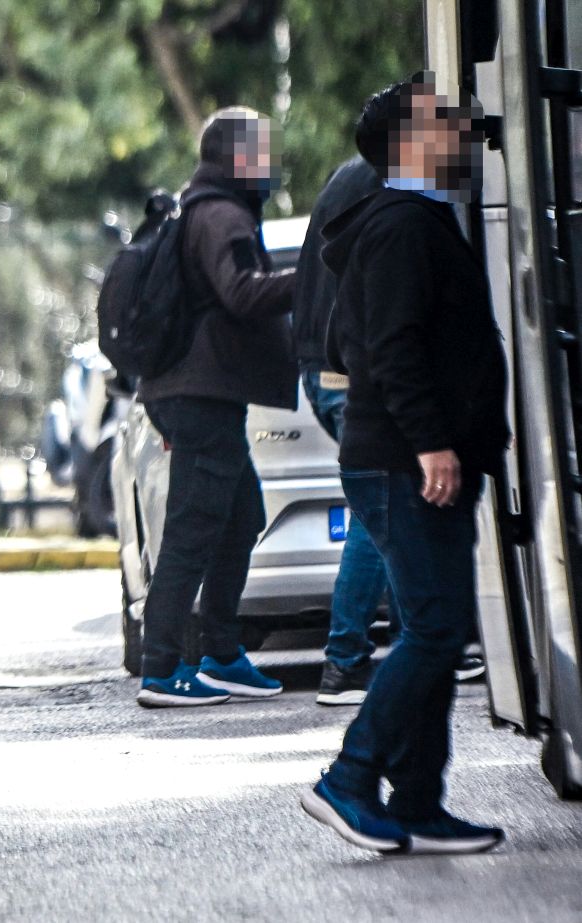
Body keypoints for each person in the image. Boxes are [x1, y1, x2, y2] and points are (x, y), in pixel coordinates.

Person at [300, 74, 508, 855]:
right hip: (403, 461)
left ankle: (419, 800)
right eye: (443, 120)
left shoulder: (415, 217)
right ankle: (349, 778)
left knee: (438, 629)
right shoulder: (398, 225)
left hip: (413, 457)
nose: (462, 129)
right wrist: (429, 441)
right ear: (410, 142)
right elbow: (388, 348)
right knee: (434, 627)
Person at [133, 107, 297, 707]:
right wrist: (314, 275)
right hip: (200, 394)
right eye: (264, 151)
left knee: (241, 516)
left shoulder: (200, 209)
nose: (272, 163)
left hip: (196, 392)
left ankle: (222, 653)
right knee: (192, 530)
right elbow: (240, 293)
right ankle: (161, 667)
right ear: (239, 157)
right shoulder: (222, 214)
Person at [292, 155, 397, 706]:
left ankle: (413, 642)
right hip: (351, 369)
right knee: (381, 506)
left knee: (390, 504)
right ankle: (346, 659)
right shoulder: (392, 182)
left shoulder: (343, 177)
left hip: (322, 366)